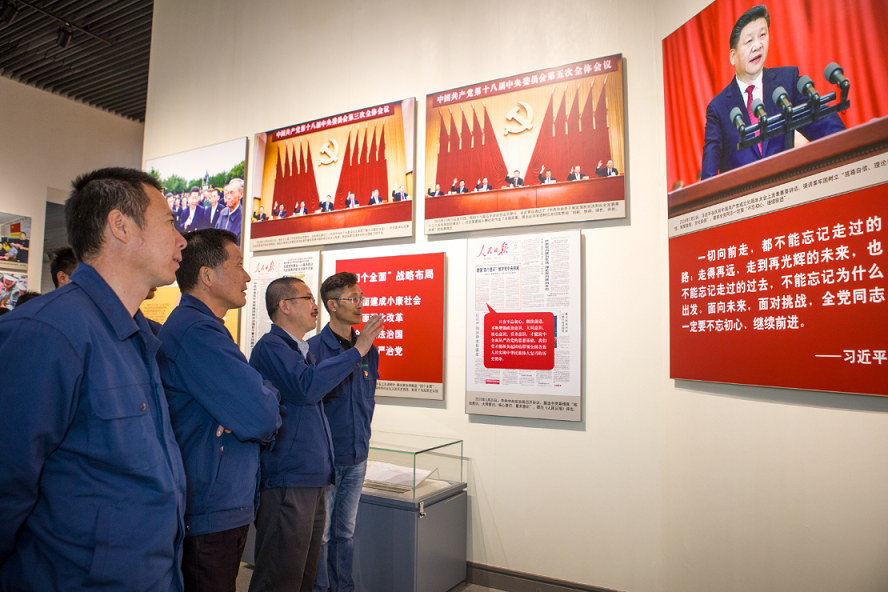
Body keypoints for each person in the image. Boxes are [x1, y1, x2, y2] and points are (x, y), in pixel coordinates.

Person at [0, 167, 187, 590]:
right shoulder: (46, 333)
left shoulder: (138, 336)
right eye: (170, 223)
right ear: (120, 225)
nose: (182, 240)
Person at [159, 228, 281, 592]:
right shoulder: (197, 332)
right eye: (239, 264)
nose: (247, 277)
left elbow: (257, 401)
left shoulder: (205, 328)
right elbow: (260, 416)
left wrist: (257, 394)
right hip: (209, 511)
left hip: (219, 503)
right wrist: (259, 396)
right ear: (207, 275)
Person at [249, 278, 384, 592]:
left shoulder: (300, 350)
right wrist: (357, 351)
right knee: (284, 569)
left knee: (309, 562)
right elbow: (307, 388)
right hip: (292, 473)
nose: (315, 306)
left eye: (361, 297)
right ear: (285, 306)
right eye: (308, 298)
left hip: (325, 467)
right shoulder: (277, 348)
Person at [700, 4, 845, 180]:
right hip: (744, 195)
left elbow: (823, 123)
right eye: (749, 41)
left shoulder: (786, 81)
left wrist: (848, 147)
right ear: (732, 56)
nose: (758, 45)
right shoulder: (718, 108)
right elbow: (709, 171)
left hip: (785, 190)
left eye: (762, 35)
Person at [311, 272, 380, 592]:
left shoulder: (369, 349)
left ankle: (343, 588)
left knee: (345, 533)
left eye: (361, 298)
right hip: (326, 459)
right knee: (322, 536)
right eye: (353, 299)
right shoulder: (314, 349)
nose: (360, 304)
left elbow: (367, 399)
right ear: (332, 305)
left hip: (357, 457)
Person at [215, 178, 245, 246]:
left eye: (232, 193)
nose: (228, 197)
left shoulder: (243, 217)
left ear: (241, 194)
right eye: (227, 193)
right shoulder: (223, 213)